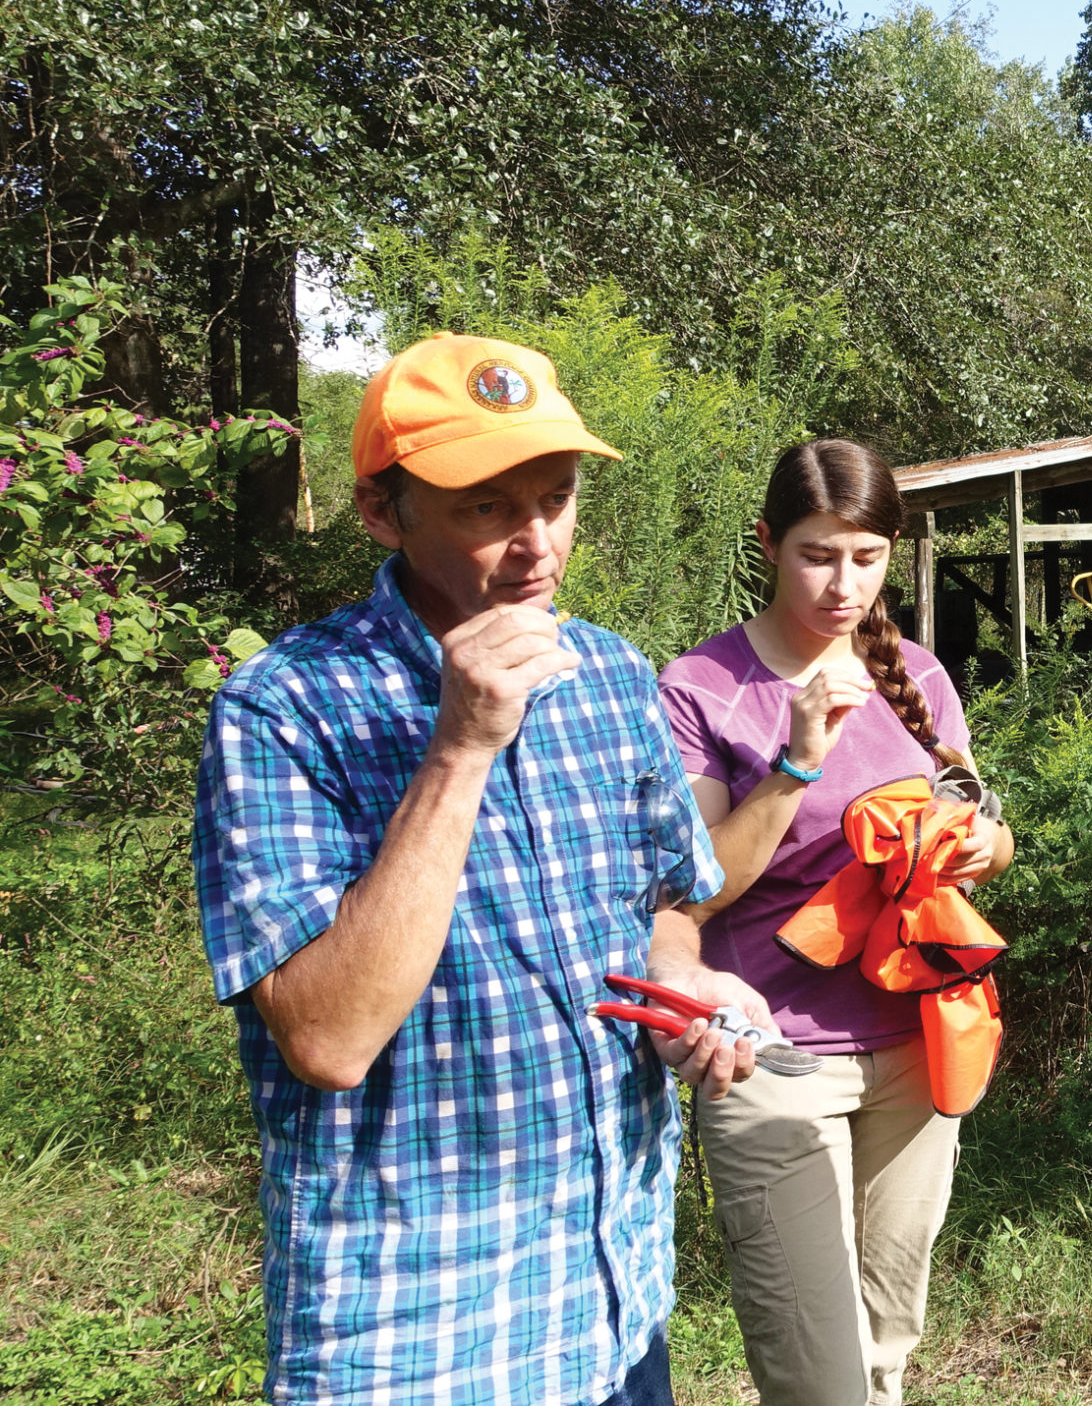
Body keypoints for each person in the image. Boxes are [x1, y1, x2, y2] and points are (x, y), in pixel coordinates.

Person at [193, 333, 776, 1406]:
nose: (536, 546)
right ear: (383, 512)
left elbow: (661, 906)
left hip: (614, 1298)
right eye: (486, 510)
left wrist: (686, 979)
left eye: (553, 500)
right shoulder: (284, 708)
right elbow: (327, 1037)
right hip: (419, 1334)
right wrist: (460, 745)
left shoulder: (604, 672)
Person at [658, 438, 1013, 1406]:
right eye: (818, 554)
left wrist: (990, 846)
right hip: (773, 1060)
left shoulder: (921, 677)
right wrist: (797, 761)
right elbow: (696, 890)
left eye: (866, 557)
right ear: (769, 544)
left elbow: (975, 825)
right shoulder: (700, 688)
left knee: (885, 1353)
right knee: (819, 1379)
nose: (842, 584)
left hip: (915, 1043)